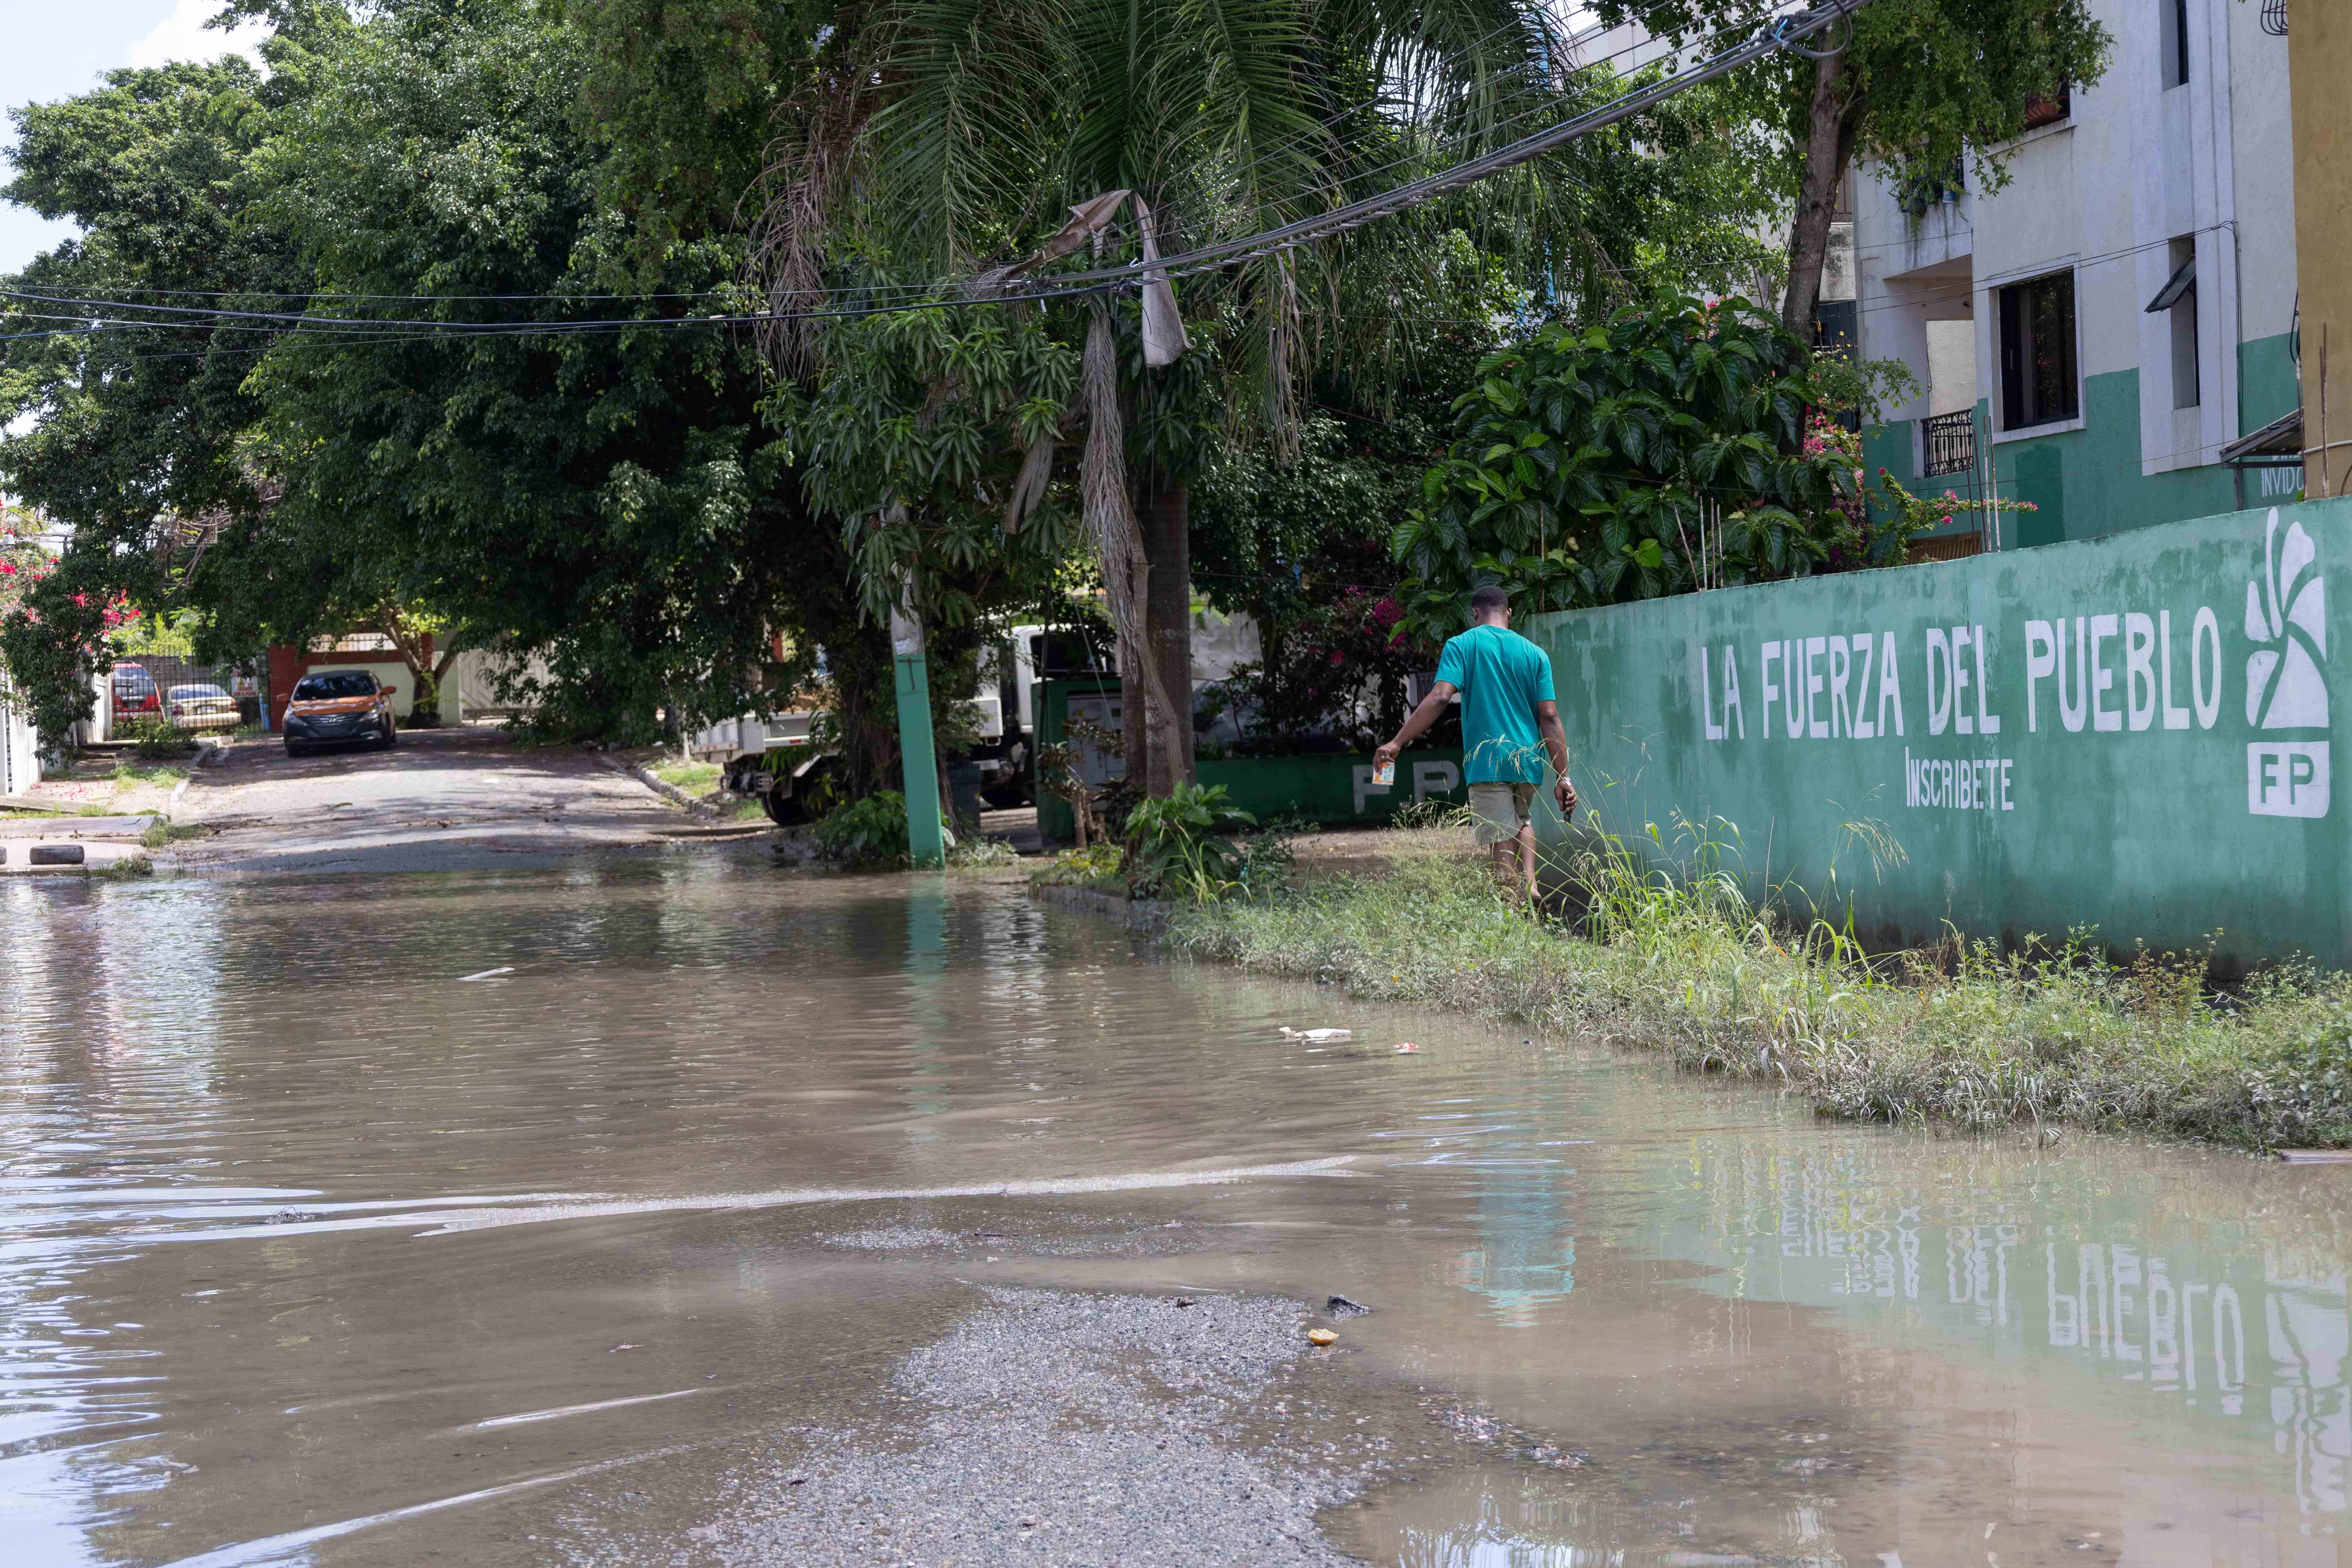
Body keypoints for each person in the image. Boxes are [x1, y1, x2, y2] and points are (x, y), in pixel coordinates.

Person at [1373, 584, 1574, 903]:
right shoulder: (1536, 654)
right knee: (1522, 820)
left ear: (1475, 613)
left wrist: (1397, 742)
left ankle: (1513, 907)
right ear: (1508, 613)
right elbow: (1550, 717)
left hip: (1488, 760)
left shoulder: (1463, 645)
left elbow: (1441, 696)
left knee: (1499, 838)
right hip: (1529, 761)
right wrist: (1564, 776)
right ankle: (1531, 882)